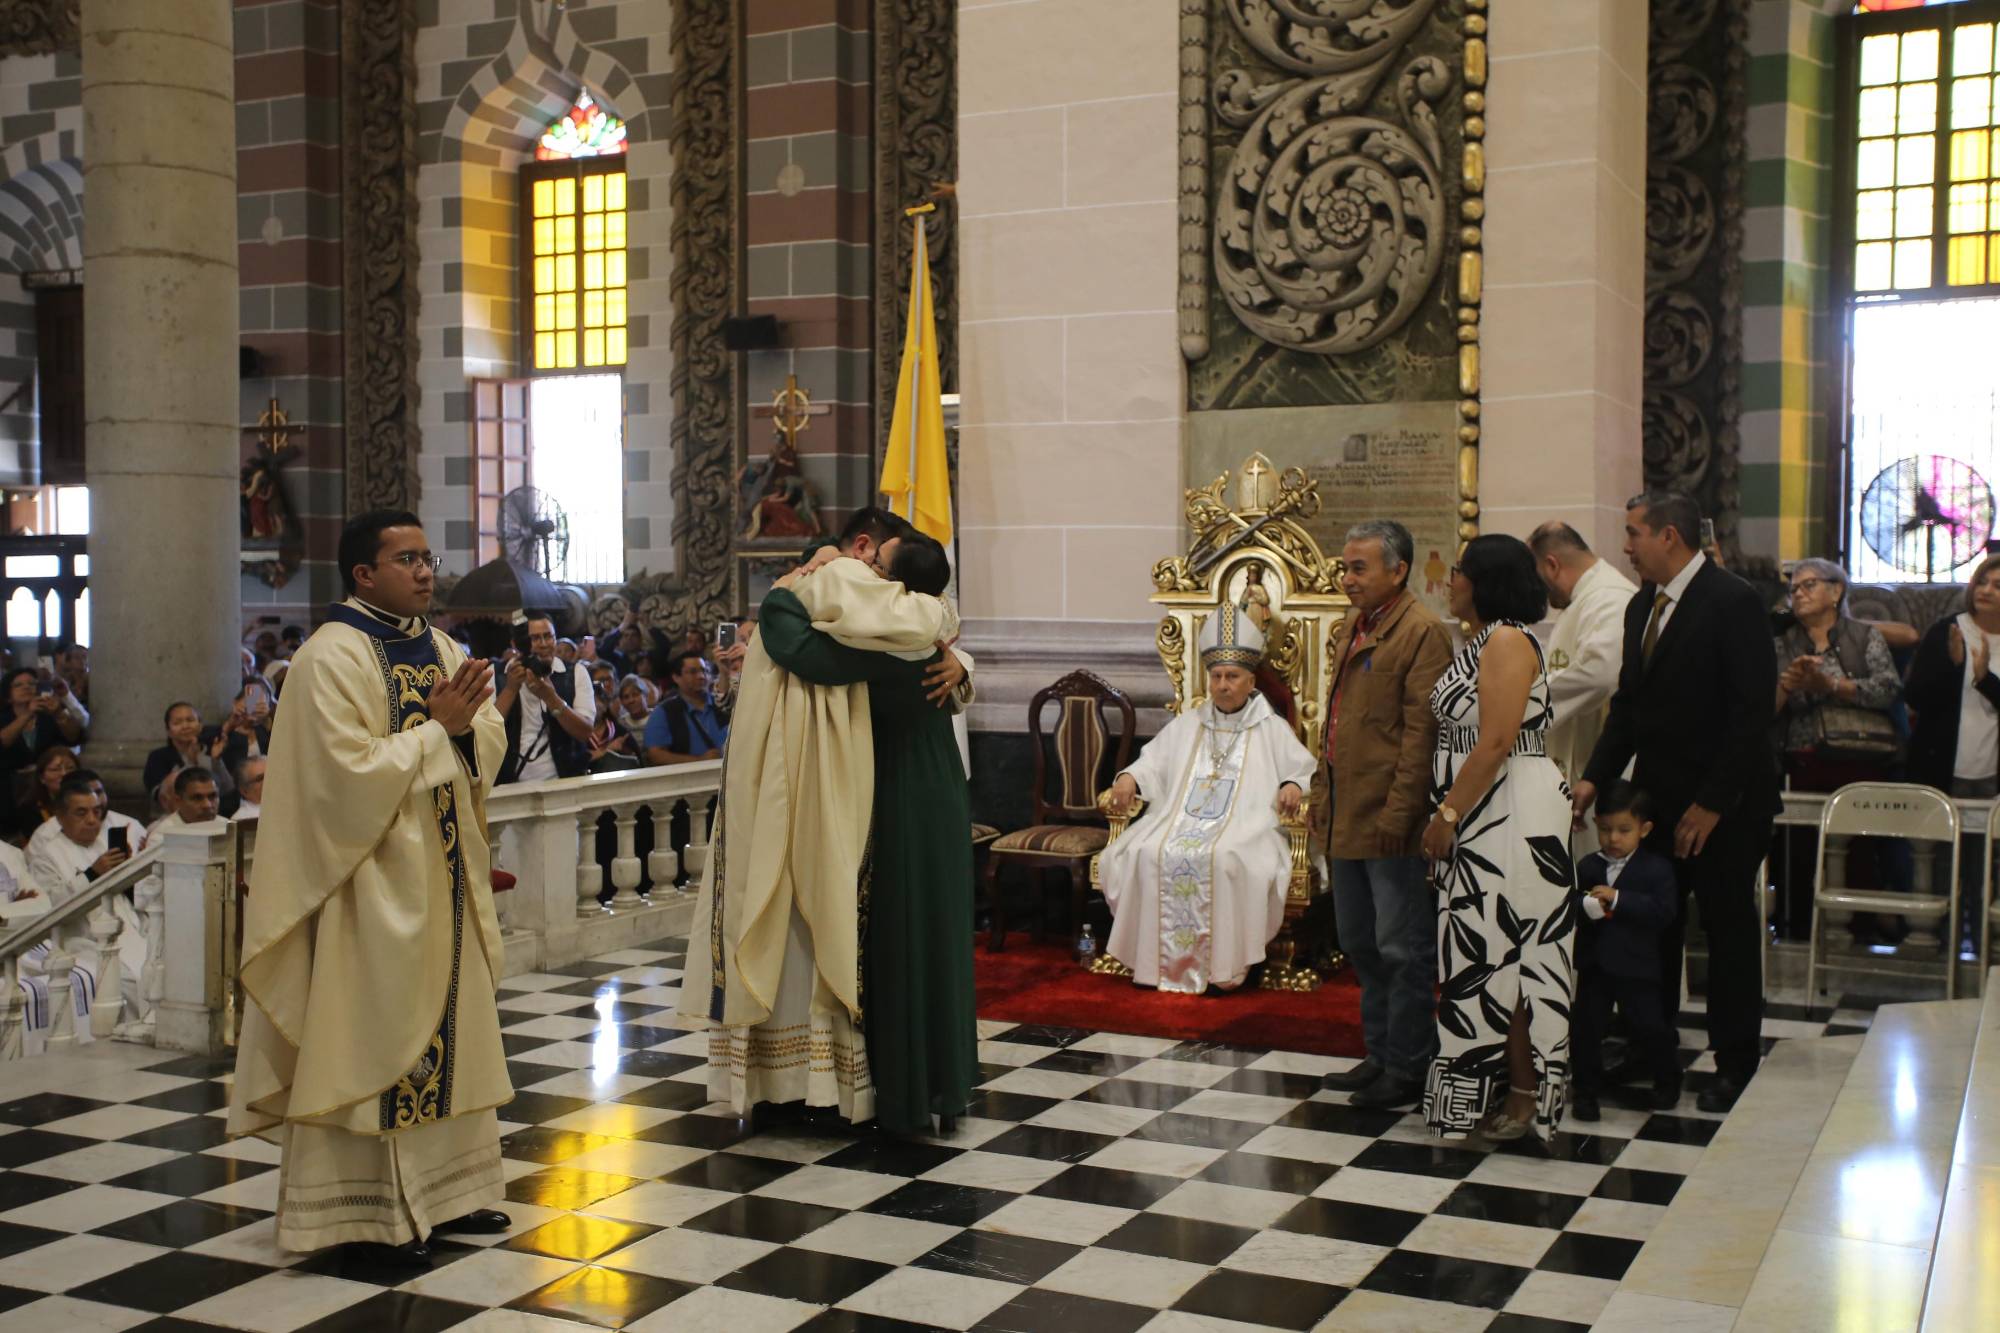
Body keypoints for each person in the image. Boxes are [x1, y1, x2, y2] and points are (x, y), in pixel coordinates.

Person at [228, 509, 511, 1263]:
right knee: (375, 1040)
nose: (426, 571)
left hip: (441, 876)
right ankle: (364, 1217)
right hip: (368, 887)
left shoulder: (441, 643)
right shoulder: (330, 657)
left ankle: (451, 1194)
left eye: (428, 556)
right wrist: (437, 729)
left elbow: (484, 734)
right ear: (364, 573)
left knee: (453, 1037)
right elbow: (338, 779)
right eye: (407, 558)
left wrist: (462, 726)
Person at [680, 533, 965, 1132]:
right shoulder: (914, 626)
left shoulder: (890, 630)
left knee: (903, 936)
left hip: (900, 790)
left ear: (893, 585)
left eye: (874, 562)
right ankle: (921, 1083)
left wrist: (791, 587)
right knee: (913, 938)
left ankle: (897, 1090)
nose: (860, 566)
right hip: (915, 782)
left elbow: (792, 641)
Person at [1573, 491, 1779, 1113]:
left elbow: (1750, 716)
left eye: (1634, 533)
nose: (1626, 547)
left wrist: (1712, 803)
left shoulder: (1734, 601)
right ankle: (1650, 1045)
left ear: (1669, 536)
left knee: (1725, 929)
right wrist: (1594, 776)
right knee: (1649, 926)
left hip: (1728, 805)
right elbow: (1630, 706)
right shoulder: (1642, 607)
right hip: (1659, 801)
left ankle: (1734, 1060)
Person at [1419, 534, 1577, 1141]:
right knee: (1482, 955)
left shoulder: (1508, 640)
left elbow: (1495, 741)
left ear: (1484, 581)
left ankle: (1525, 1098)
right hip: (1485, 809)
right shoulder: (1481, 639)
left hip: (1506, 811)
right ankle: (1494, 1094)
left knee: (1511, 953)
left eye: (1458, 570)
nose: (1450, 580)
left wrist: (1449, 813)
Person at [1100, 601, 1316, 992]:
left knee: (1226, 856)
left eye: (1232, 676)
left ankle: (1223, 970)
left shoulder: (1271, 727)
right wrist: (1130, 778)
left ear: (1251, 681)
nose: (1222, 685)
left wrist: (1293, 785)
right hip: (1180, 821)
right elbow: (1153, 762)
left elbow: (1305, 769)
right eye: (1216, 676)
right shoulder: (1190, 723)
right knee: (1146, 852)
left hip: (1248, 826)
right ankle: (1154, 966)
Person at [1321, 519, 1455, 1109]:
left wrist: (1404, 814)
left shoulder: (1422, 633)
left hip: (1388, 815)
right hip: (1345, 813)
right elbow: (1336, 723)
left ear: (1398, 571)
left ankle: (1408, 1064)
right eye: (1345, 567)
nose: (1347, 579)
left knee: (1401, 947)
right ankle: (1379, 1055)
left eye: (1359, 568)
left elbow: (1421, 735)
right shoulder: (1356, 625)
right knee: (1359, 942)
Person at [1570, 782, 1680, 1122]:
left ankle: (1668, 1079)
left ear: (1644, 830)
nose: (1613, 839)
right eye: (1605, 830)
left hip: (1638, 967)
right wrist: (1587, 905)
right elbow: (1570, 902)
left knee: (1650, 1026)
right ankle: (1586, 1091)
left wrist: (1619, 900)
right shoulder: (1588, 866)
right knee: (1586, 1029)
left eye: (1623, 830)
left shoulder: (1657, 869)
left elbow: (1664, 911)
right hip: (1596, 966)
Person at [1529, 521, 1638, 855]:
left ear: (1552, 564)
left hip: (1599, 768)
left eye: (1537, 576)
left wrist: (1526, 701)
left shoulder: (1610, 599)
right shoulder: (1585, 601)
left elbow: (1599, 674)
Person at [28, 772, 152, 1024]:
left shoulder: (105, 845)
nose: (92, 820)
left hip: (130, 931)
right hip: (83, 940)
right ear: (60, 816)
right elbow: (52, 907)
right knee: (129, 980)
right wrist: (93, 873)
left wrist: (128, 872)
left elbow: (133, 899)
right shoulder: (47, 855)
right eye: (81, 813)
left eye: (97, 812)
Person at [1903, 552, 2000, 797]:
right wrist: (1953, 666)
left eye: (1997, 586)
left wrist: (1985, 679)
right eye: (1981, 582)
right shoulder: (1946, 631)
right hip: (1940, 768)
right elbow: (1915, 698)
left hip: (1992, 774)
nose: (1986, 591)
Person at [495, 614, 595, 784]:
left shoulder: (575, 673)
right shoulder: (497, 674)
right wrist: (511, 689)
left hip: (564, 780)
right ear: (516, 644)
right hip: (509, 784)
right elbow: (484, 730)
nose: (543, 644)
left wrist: (551, 698)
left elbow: (585, 732)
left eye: (548, 636)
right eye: (534, 638)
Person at [141, 702, 241, 813]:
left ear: (200, 725)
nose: (185, 726)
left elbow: (229, 791)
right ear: (168, 731)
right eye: (177, 722)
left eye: (190, 720)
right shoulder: (158, 757)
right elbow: (164, 797)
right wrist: (191, 761)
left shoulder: (213, 750)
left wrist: (216, 761)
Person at [645, 649, 730, 764]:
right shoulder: (664, 712)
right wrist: (699, 761)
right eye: (693, 672)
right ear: (676, 677)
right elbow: (655, 754)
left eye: (704, 671)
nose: (701, 676)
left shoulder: (723, 703)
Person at [0, 668, 79, 771]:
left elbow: (73, 738)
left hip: (43, 779)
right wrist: (27, 713)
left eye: (32, 683)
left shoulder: (46, 716)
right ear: (8, 696)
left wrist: (58, 713)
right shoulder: (3, 718)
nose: (26, 687)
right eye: (18, 685)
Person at [13, 744, 77, 843]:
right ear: (42, 778)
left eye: (70, 768)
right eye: (55, 769)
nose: (64, 774)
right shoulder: (29, 809)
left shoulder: (91, 800)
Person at [232, 754, 266, 820]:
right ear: (244, 791)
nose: (268, 780)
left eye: (270, 774)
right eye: (260, 778)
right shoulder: (241, 820)